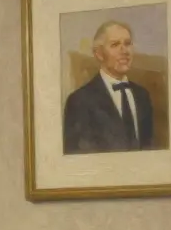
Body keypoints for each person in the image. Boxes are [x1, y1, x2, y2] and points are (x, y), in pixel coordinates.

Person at [63, 20, 155, 154]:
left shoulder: (142, 96)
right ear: (99, 54)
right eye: (115, 44)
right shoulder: (79, 101)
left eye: (127, 44)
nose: (124, 51)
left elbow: (151, 149)